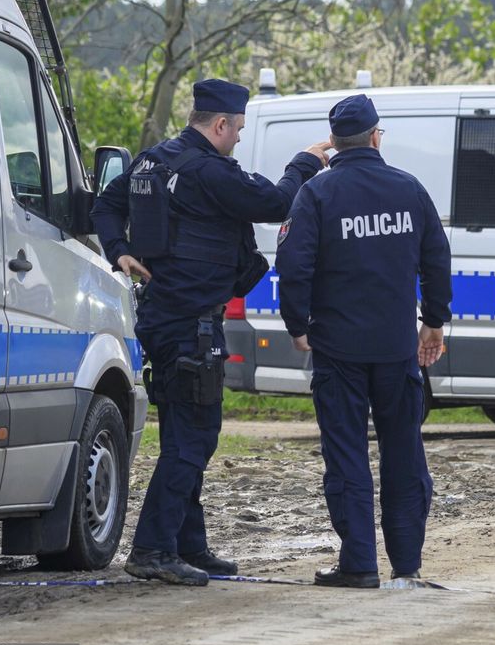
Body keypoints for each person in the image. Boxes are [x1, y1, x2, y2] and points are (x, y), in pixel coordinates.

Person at [92, 78, 330, 586]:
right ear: (220, 124)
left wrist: (118, 250)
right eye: (238, 130)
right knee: (193, 438)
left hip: (168, 317)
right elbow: (276, 202)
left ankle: (186, 543)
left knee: (188, 433)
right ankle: (154, 548)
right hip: (191, 323)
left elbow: (105, 205)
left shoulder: (154, 160)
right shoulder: (206, 171)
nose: (240, 139)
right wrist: (305, 162)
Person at [275, 93, 452, 589]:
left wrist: (297, 325)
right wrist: (433, 321)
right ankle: (407, 565)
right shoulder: (409, 190)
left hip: (338, 352)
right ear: (377, 137)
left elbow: (292, 264)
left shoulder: (316, 194)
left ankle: (358, 564)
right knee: (403, 453)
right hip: (397, 351)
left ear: (333, 144)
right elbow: (437, 259)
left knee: (348, 456)